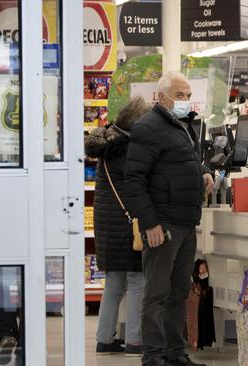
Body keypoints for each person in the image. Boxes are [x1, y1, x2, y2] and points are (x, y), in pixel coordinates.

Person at [124, 72, 214, 366]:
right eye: (179, 95)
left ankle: (176, 353)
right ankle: (153, 356)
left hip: (186, 222)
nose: (185, 101)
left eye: (187, 95)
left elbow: (184, 160)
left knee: (178, 293)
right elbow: (134, 179)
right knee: (157, 294)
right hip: (163, 224)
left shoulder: (182, 126)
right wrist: (149, 223)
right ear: (161, 98)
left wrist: (203, 172)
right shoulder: (148, 128)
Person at [85, 96, 152, 355]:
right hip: (128, 224)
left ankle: (104, 338)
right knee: (137, 279)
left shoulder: (108, 143)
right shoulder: (128, 149)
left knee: (113, 283)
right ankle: (135, 339)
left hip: (107, 224)